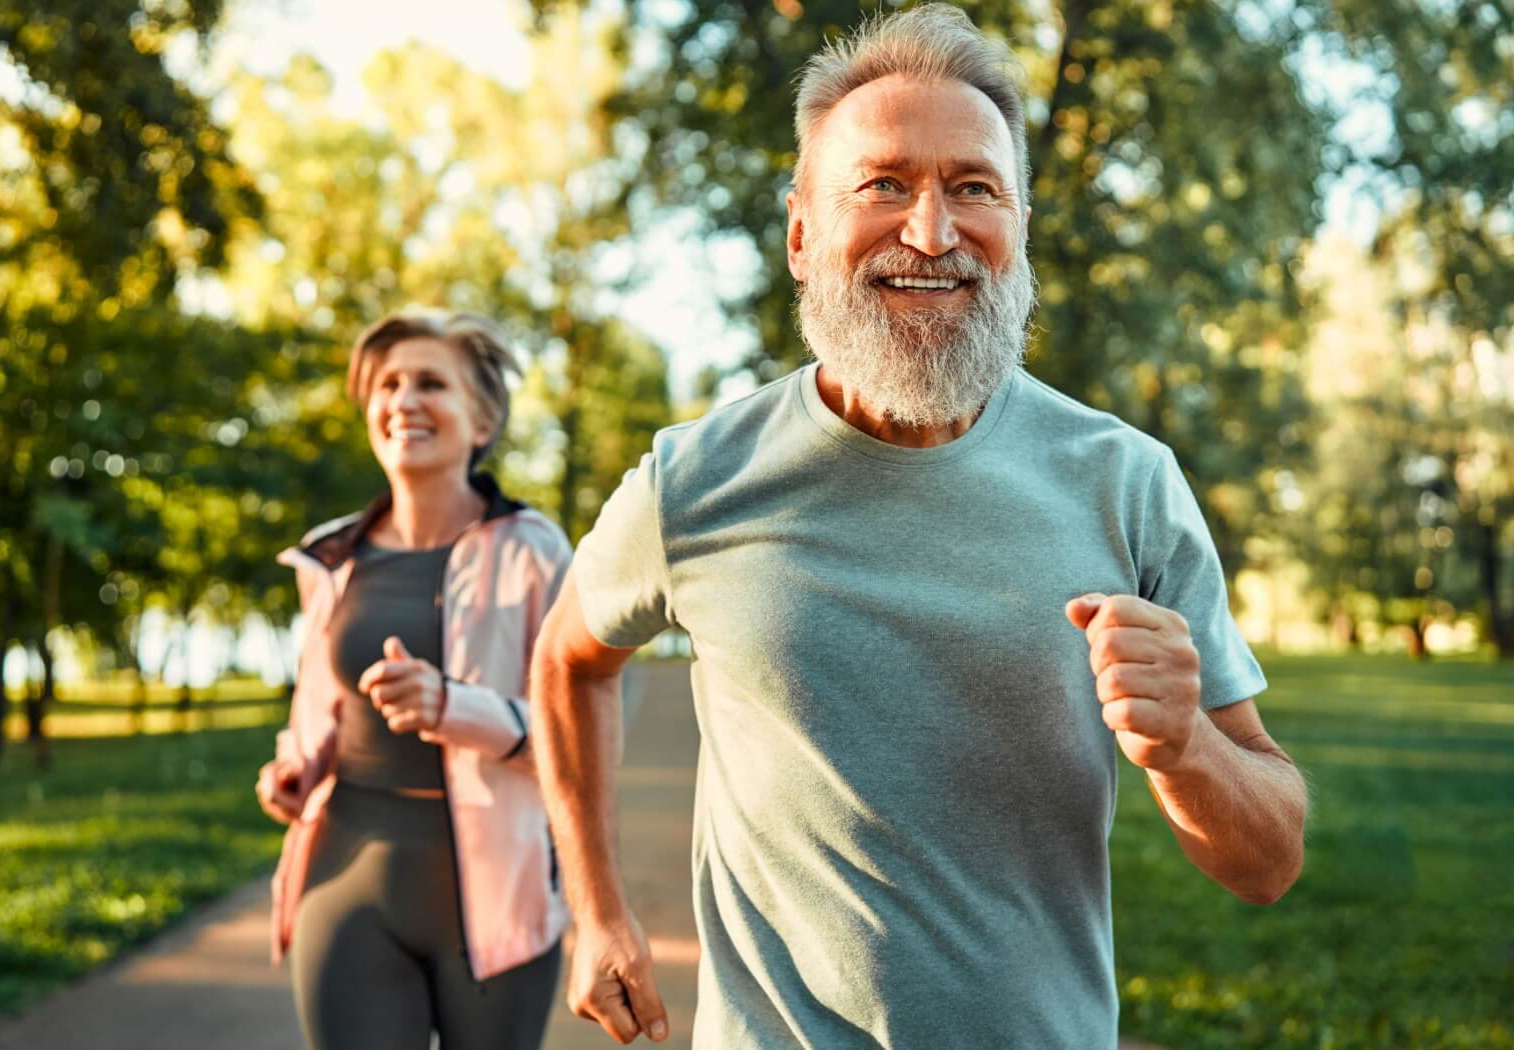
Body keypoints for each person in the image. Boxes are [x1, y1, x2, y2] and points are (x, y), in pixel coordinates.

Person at [528, 5, 1307, 1048]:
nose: (931, 232)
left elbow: (1267, 862)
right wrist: (597, 913)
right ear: (802, 235)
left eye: (972, 187)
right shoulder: (696, 478)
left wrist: (1184, 748)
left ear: (1019, 225)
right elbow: (568, 662)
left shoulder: (1126, 482)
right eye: (884, 183)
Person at [255, 311, 571, 1050]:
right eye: (387, 385)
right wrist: (297, 768)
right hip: (345, 880)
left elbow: (579, 739)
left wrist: (451, 707)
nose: (403, 400)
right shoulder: (330, 559)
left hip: (496, 901)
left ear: (483, 414)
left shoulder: (535, 551)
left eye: (431, 382)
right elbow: (320, 717)